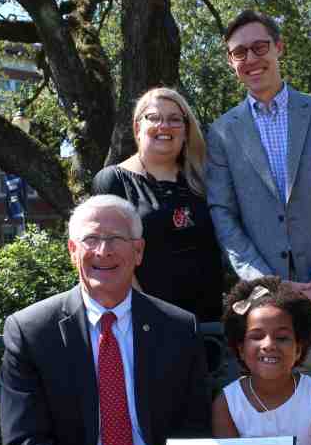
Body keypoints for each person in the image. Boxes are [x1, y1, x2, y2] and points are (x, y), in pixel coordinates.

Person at [0, 194, 211, 445]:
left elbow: (194, 430)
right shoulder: (32, 331)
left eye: (115, 238)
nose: (103, 250)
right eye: (91, 239)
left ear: (138, 251)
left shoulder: (178, 328)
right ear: (73, 251)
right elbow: (25, 442)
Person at [205, 10, 311, 315]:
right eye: (239, 52)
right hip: (264, 303)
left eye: (260, 47)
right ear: (231, 62)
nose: (251, 58)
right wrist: (267, 284)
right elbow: (223, 216)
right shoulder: (221, 133)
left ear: (279, 47)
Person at [93, 87, 223, 322]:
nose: (164, 126)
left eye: (175, 119)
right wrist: (147, 317)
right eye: (153, 118)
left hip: (210, 324)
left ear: (186, 130)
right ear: (137, 127)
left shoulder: (204, 179)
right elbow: (109, 257)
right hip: (150, 323)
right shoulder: (113, 181)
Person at [211, 276, 311, 445]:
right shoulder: (227, 403)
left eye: (282, 338)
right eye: (256, 336)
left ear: (299, 349)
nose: (269, 345)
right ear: (241, 349)